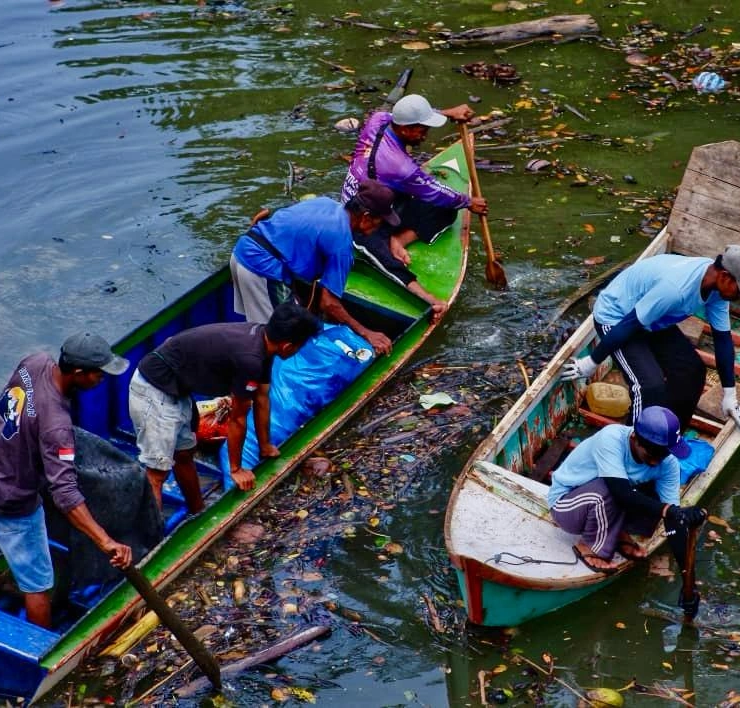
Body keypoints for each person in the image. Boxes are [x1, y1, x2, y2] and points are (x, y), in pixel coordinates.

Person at [0, 333, 134, 628]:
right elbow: (65, 493)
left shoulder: (35, 362)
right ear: (78, 373)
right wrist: (105, 541)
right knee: (38, 583)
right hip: (10, 498)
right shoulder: (56, 426)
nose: (102, 379)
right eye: (98, 373)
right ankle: (36, 651)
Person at [129, 301, 320, 511]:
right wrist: (236, 469)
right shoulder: (251, 358)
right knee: (157, 473)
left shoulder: (264, 344)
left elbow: (262, 397)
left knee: (184, 454)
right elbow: (237, 417)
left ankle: (198, 512)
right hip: (154, 388)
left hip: (178, 388)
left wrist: (265, 446)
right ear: (288, 346)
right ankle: (156, 540)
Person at [562, 244, 740, 433]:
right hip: (618, 318)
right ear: (725, 277)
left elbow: (722, 339)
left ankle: (669, 438)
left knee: (692, 371)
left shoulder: (717, 290)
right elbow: (629, 324)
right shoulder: (676, 289)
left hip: (652, 319)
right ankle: (634, 449)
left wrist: (730, 396)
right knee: (649, 387)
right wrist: (591, 362)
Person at [230, 181, 440, 346]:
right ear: (365, 217)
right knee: (278, 337)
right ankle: (268, 389)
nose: (378, 229)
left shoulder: (324, 203)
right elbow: (328, 303)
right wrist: (367, 333)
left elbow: (279, 223)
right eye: (379, 222)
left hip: (241, 251)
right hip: (261, 270)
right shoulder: (342, 243)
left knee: (256, 324)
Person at [548, 406, 707, 617]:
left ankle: (618, 534)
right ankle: (589, 545)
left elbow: (672, 521)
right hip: (567, 505)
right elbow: (620, 492)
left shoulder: (667, 464)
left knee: (655, 499)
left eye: (662, 454)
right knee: (611, 489)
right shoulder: (611, 438)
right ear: (634, 438)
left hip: (606, 505)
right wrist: (669, 510)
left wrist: (688, 580)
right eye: (651, 453)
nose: (655, 460)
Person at [340, 93, 488, 284]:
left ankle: (397, 239)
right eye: (422, 130)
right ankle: (392, 240)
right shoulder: (402, 168)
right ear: (404, 129)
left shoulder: (379, 119)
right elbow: (435, 190)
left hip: (359, 198)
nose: (425, 135)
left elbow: (405, 115)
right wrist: (468, 202)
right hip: (368, 219)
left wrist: (449, 113)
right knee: (447, 209)